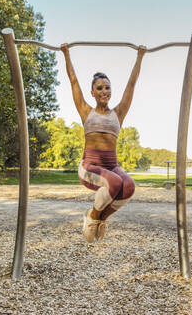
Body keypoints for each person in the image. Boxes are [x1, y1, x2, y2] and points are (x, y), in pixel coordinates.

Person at [61, 43, 146, 243]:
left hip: (111, 166)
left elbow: (131, 85)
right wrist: (66, 53)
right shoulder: (85, 111)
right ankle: (91, 216)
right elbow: (73, 81)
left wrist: (140, 57)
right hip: (89, 167)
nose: (104, 91)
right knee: (115, 183)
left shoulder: (119, 113)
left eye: (107, 88)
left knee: (129, 187)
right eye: (99, 88)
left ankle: (98, 219)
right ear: (93, 92)